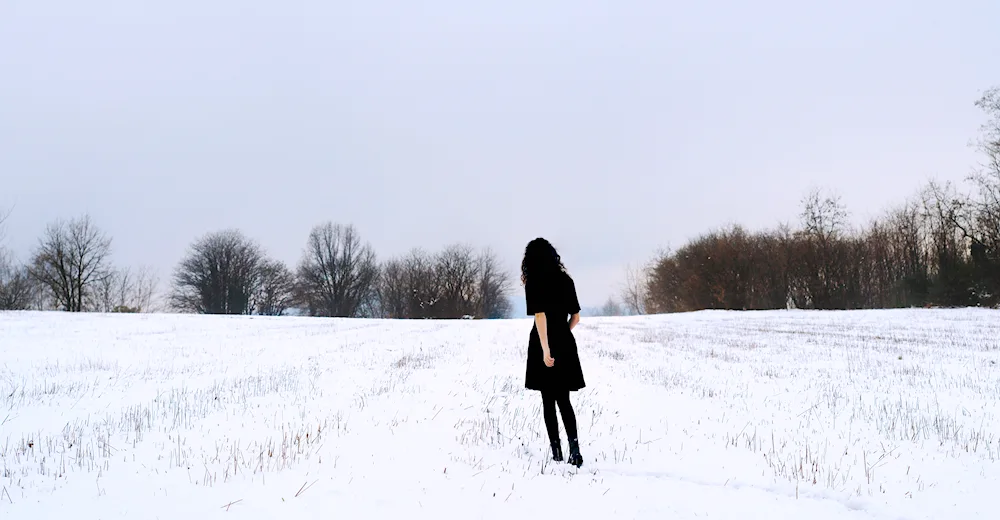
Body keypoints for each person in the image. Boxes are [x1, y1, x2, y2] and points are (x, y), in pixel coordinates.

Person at [521, 237, 585, 467]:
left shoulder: (534, 281)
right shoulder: (566, 280)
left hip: (542, 342)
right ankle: (575, 451)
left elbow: (540, 316)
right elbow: (576, 317)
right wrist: (563, 336)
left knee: (548, 400)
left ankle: (557, 452)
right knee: (564, 400)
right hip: (564, 342)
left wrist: (546, 349)